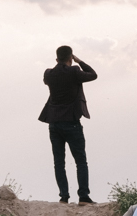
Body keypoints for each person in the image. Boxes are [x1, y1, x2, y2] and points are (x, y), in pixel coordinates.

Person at [39, 46, 97, 204]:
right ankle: (83, 196)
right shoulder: (74, 71)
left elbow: (50, 78)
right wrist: (79, 61)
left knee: (59, 161)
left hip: (54, 123)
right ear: (70, 57)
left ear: (56, 58)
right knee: (80, 161)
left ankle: (64, 196)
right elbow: (93, 75)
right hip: (71, 122)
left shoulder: (48, 74)